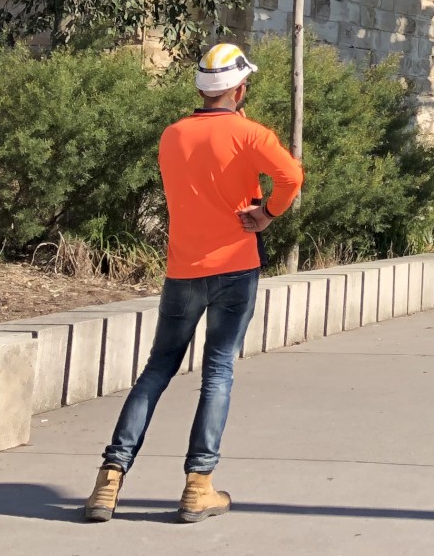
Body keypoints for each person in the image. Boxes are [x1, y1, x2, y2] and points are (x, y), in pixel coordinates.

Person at [83, 44, 303, 526]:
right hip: (236, 267)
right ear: (240, 89)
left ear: (202, 89)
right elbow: (291, 176)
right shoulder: (251, 134)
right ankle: (198, 486)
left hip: (183, 270)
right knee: (218, 371)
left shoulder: (172, 136)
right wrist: (266, 214)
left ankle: (109, 479)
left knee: (156, 369)